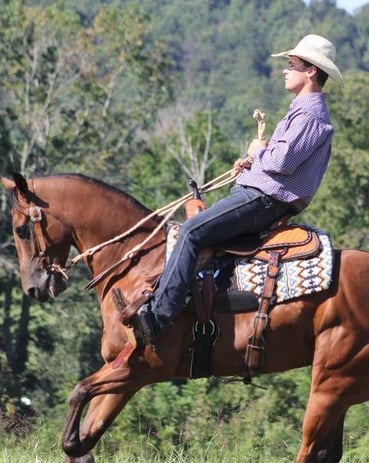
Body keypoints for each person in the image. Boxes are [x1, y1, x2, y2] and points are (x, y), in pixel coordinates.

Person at [132, 34, 343, 345]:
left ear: (311, 71)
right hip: (259, 194)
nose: (285, 70)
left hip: (263, 201)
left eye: (292, 64)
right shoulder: (301, 110)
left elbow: (282, 162)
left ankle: (160, 316)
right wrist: (253, 164)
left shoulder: (310, 114)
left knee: (191, 232)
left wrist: (259, 151)